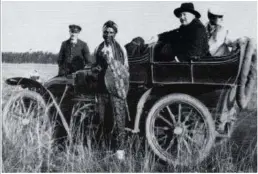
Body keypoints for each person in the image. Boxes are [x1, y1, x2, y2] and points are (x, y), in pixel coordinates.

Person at [92, 20, 129, 160]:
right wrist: (97, 69)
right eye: (106, 32)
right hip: (101, 89)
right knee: (103, 120)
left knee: (119, 119)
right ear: (103, 33)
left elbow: (126, 70)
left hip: (116, 89)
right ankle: (106, 149)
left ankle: (120, 151)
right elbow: (93, 67)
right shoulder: (98, 48)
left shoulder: (121, 49)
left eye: (111, 32)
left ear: (115, 33)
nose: (108, 35)